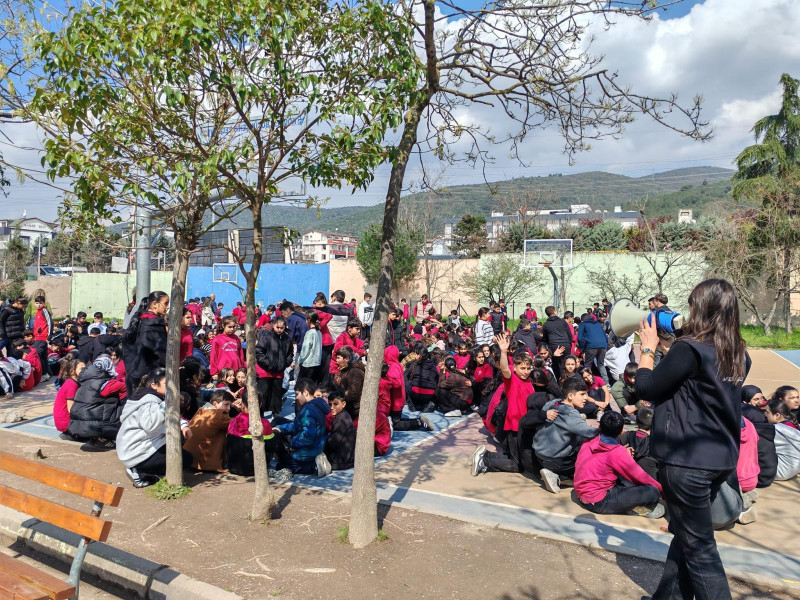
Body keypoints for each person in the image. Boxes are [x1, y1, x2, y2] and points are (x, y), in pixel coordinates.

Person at [635, 278, 750, 600]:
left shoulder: (690, 349)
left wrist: (647, 348)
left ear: (700, 309)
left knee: (700, 548)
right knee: (686, 535)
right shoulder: (738, 353)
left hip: (687, 461)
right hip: (721, 458)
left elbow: (645, 389)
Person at [574, 411, 663, 517]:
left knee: (623, 479)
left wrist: (623, 454)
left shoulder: (589, 440)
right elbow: (641, 477)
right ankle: (630, 507)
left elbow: (604, 459)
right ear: (621, 431)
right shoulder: (618, 452)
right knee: (653, 491)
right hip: (599, 501)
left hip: (581, 493)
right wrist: (662, 491)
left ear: (599, 426)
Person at [116, 367, 194, 487]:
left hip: (140, 446)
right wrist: (168, 402)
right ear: (154, 385)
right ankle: (138, 471)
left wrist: (183, 425)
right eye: (166, 384)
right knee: (185, 459)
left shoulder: (151, 398)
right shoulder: (149, 402)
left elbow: (170, 417)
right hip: (136, 451)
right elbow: (150, 425)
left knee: (184, 453)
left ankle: (148, 471)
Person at [470, 332, 533, 476]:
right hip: (514, 426)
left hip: (525, 425)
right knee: (517, 465)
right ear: (515, 367)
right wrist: (503, 351)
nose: (525, 372)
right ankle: (485, 462)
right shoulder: (511, 378)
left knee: (515, 456)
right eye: (522, 368)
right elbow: (504, 368)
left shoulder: (529, 380)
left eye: (528, 368)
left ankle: (484, 455)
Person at [533, 377, 599, 493]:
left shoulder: (553, 403)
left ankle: (561, 476)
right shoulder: (570, 413)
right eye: (582, 394)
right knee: (591, 455)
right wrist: (610, 428)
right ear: (570, 396)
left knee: (577, 437)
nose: (585, 398)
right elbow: (591, 433)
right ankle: (557, 475)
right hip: (555, 460)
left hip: (539, 454)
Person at [274, 378, 331, 477]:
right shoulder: (317, 405)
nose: (296, 398)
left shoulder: (308, 411)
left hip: (307, 452)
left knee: (281, 466)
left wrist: (292, 445)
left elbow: (307, 437)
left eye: (297, 394)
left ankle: (313, 466)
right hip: (316, 447)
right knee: (277, 425)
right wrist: (280, 428)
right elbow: (297, 425)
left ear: (305, 392)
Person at [67, 355, 127, 450]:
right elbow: (125, 387)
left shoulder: (86, 381)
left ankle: (97, 438)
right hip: (96, 425)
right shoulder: (104, 383)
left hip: (78, 424)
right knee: (125, 405)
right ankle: (103, 437)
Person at [122, 291, 169, 393]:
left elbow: (125, 347)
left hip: (132, 374)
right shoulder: (155, 326)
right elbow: (161, 354)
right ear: (154, 304)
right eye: (165, 303)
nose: (167, 307)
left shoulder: (138, 321)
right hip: (151, 378)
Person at [183, 389, 233, 472]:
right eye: (226, 405)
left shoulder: (201, 411)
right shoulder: (219, 415)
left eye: (230, 405)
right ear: (214, 404)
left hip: (190, 460)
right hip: (207, 464)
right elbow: (240, 424)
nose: (229, 408)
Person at [254, 316, 293, 415]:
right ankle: (261, 412)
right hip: (265, 371)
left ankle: (276, 411)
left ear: (285, 327)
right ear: (273, 325)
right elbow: (259, 351)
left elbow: (290, 353)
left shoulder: (287, 338)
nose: (279, 330)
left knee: (277, 392)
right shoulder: (266, 336)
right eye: (277, 327)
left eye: (281, 328)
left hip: (279, 371)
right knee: (264, 392)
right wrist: (268, 364)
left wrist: (285, 363)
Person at [765, 396, 800, 481]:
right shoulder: (795, 424)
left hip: (782, 470)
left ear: (777, 415)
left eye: (767, 412)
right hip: (796, 468)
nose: (765, 414)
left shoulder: (777, 429)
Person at [618, 407, 658, 480]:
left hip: (626, 483)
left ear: (636, 420)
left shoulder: (625, 436)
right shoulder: (657, 444)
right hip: (651, 485)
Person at [53, 356, 84, 435]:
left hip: (65, 423)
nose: (85, 371)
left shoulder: (72, 382)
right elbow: (71, 409)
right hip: (66, 424)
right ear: (72, 372)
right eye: (82, 369)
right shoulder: (72, 385)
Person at [324, 392, 356, 470]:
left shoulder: (342, 419)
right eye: (330, 404)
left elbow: (333, 443)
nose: (332, 407)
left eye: (335, 404)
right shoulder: (342, 415)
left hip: (341, 461)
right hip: (344, 458)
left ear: (343, 404)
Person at [541, 306, 572, 380]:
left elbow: (545, 338)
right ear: (555, 312)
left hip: (554, 346)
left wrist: (549, 347)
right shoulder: (563, 321)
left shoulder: (546, 324)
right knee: (566, 363)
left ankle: (558, 380)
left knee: (556, 365)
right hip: (565, 345)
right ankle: (568, 380)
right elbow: (569, 334)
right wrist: (569, 344)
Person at [577, 311, 609, 383]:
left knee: (587, 365)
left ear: (582, 320)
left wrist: (583, 350)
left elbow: (579, 338)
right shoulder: (597, 324)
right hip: (603, 345)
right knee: (601, 364)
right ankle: (607, 383)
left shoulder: (583, 324)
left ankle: (588, 382)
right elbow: (605, 336)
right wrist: (605, 345)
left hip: (591, 346)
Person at [298, 310, 323, 383]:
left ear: (308, 320)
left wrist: (300, 360)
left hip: (307, 364)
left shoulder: (309, 333)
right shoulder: (319, 332)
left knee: (301, 386)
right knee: (312, 386)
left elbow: (305, 349)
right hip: (317, 362)